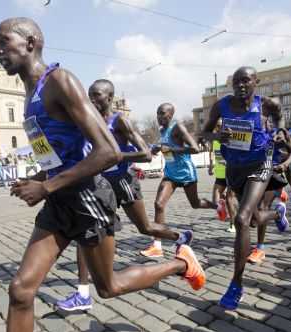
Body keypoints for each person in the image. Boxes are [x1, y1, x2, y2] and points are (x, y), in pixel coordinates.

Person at [0, 17, 205, 332]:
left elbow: (109, 151)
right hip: (60, 200)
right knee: (21, 291)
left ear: (29, 42)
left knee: (109, 287)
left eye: (3, 42)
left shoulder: (59, 81)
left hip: (88, 199)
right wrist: (40, 178)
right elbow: (61, 156)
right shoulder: (30, 93)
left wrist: (47, 186)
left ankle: (181, 264)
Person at [56, 79, 194, 311]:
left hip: (123, 182)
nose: (91, 99)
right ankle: (82, 294)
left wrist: (114, 156)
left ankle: (180, 236)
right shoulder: (89, 121)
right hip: (99, 184)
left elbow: (145, 154)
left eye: (97, 95)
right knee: (85, 234)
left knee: (146, 228)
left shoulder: (120, 120)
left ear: (110, 98)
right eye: (89, 95)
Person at [202, 66, 287, 310]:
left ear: (255, 82)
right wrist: (218, 136)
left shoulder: (265, 104)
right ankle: (277, 213)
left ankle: (236, 283)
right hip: (234, 168)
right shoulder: (222, 106)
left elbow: (280, 115)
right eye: (236, 81)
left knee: (241, 219)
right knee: (254, 219)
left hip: (261, 162)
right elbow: (205, 132)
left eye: (245, 81)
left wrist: (280, 130)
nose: (240, 85)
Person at [140, 103, 217, 257]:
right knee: (158, 204)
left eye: (162, 113)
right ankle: (157, 245)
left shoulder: (178, 128)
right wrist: (157, 148)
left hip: (186, 173)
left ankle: (217, 206)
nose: (159, 117)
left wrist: (173, 149)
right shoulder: (162, 130)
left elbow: (195, 148)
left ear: (170, 114)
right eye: (157, 113)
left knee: (195, 204)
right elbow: (164, 147)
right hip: (170, 175)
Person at [248, 128, 291, 264]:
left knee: (262, 208)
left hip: (272, 175)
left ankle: (259, 249)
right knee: (252, 220)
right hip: (254, 173)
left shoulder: (278, 131)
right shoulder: (251, 128)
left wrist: (284, 164)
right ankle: (278, 214)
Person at [208, 119, 237, 233]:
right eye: (217, 126)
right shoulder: (215, 139)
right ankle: (223, 204)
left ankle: (233, 224)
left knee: (231, 198)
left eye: (221, 126)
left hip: (231, 172)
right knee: (215, 201)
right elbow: (211, 151)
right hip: (220, 173)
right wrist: (210, 165)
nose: (219, 128)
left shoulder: (231, 138)